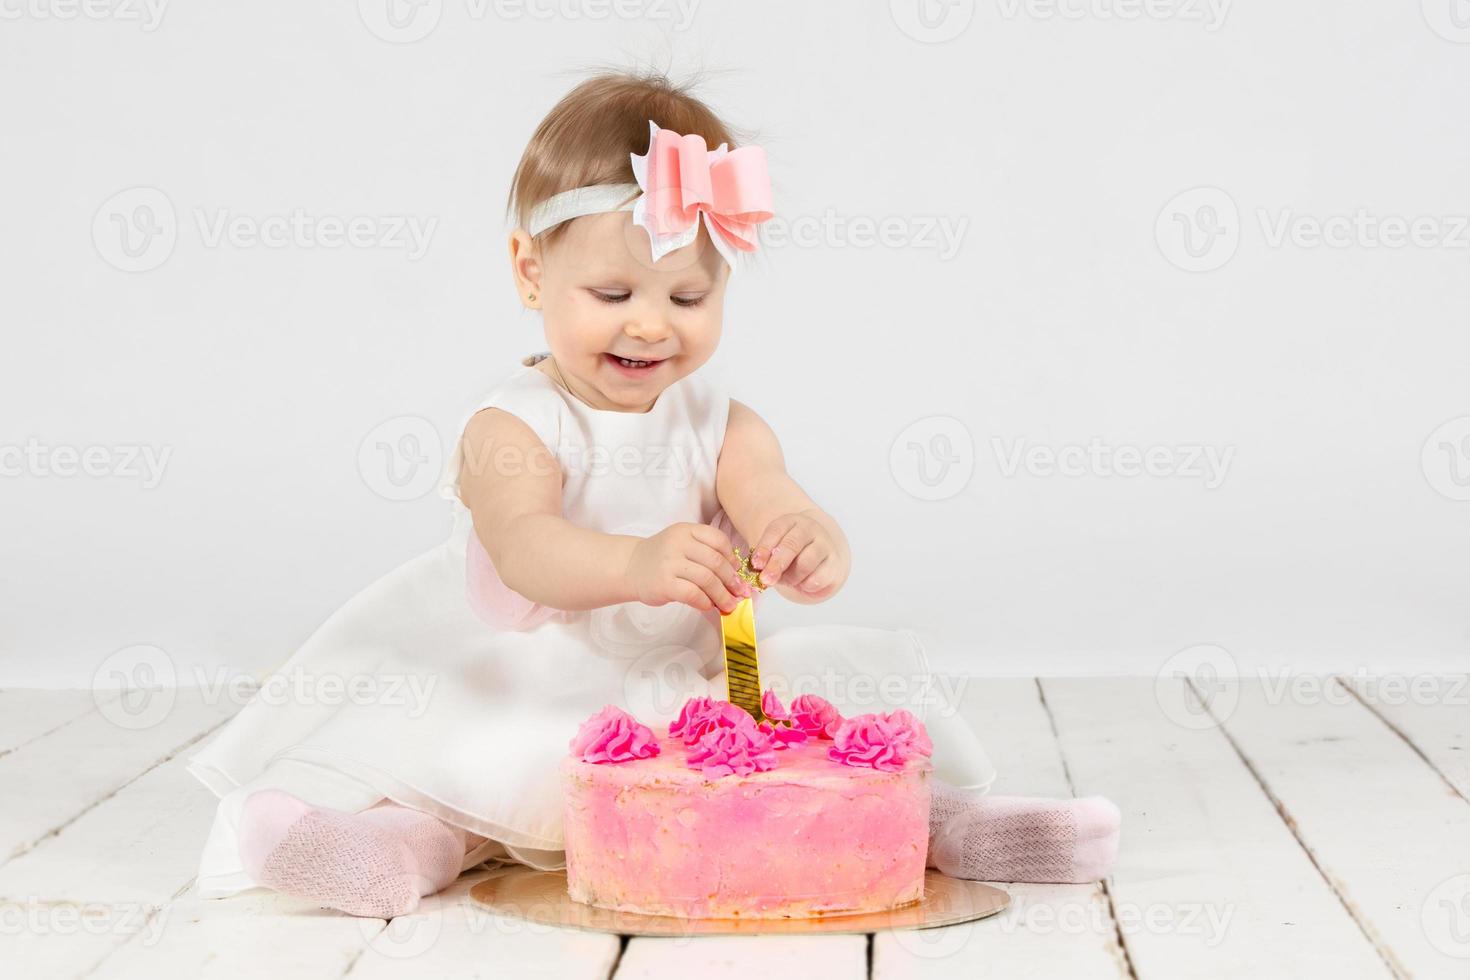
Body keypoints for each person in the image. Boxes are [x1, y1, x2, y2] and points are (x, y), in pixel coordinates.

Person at [186, 68, 1120, 919]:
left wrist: (805, 540)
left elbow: (772, 498)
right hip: (536, 679)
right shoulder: (511, 427)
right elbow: (526, 547)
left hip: (688, 691)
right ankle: (381, 853)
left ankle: (961, 828)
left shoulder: (723, 423)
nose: (649, 325)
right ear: (529, 272)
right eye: (611, 291)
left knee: (827, 747)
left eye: (686, 298)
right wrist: (636, 562)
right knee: (479, 780)